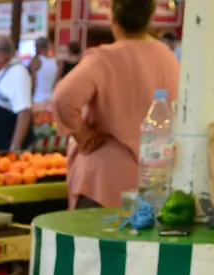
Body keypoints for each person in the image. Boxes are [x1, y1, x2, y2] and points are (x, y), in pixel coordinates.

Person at [52, 0, 179, 209]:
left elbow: (62, 98)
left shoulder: (104, 58)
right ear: (150, 18)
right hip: (154, 180)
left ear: (113, 18)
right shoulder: (168, 57)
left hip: (102, 181)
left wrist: (82, 134)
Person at [0, 34, 33, 152]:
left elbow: (24, 113)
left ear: (2, 55)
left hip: (6, 147)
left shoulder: (17, 73)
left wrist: (14, 148)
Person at [29, 37, 57, 104]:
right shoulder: (56, 62)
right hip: (51, 99)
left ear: (38, 47)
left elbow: (33, 82)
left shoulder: (36, 61)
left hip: (38, 99)